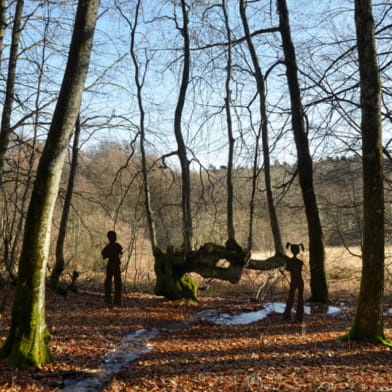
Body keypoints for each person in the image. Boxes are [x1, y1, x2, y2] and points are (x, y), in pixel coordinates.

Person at [283, 242, 305, 322]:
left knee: (291, 299)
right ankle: (299, 318)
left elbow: (287, 269)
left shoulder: (289, 261)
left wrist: (287, 261)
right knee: (300, 299)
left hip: (293, 281)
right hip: (300, 281)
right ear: (298, 251)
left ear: (291, 251)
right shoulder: (300, 262)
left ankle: (287, 316)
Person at [101, 230, 123, 305]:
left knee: (108, 283)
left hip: (110, 266)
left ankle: (108, 300)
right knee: (117, 283)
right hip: (116, 266)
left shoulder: (108, 247)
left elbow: (103, 255)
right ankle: (117, 300)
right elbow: (121, 253)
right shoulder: (117, 246)